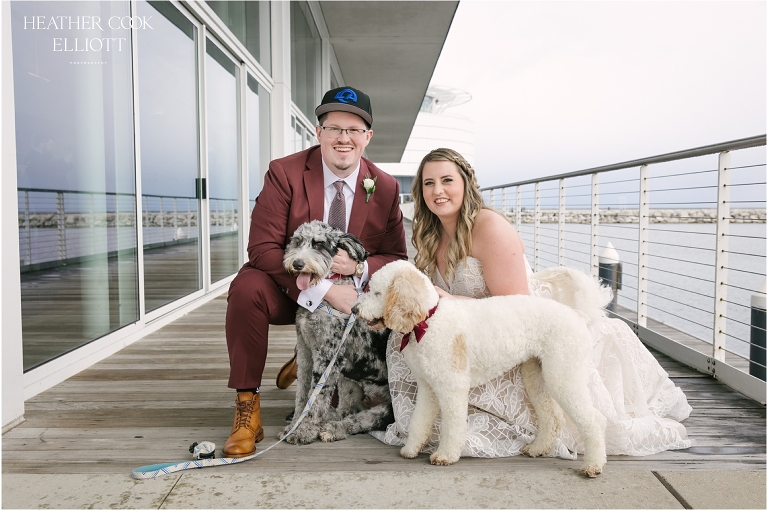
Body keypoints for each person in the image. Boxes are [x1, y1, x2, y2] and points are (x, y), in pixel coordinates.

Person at [371, 148, 693, 458]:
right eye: (429, 183)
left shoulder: (490, 227)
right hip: (473, 330)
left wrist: (452, 300)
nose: (438, 190)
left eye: (447, 180)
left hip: (516, 327)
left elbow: (515, 306)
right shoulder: (431, 233)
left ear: (466, 184)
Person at [224, 87, 408, 457]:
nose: (344, 138)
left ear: (367, 137)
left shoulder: (384, 186)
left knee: (341, 380)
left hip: (350, 299)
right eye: (334, 128)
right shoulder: (284, 172)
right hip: (292, 288)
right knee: (246, 288)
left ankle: (307, 348)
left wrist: (358, 268)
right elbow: (262, 248)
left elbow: (395, 256)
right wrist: (323, 294)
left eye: (354, 130)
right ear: (318, 132)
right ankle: (248, 406)